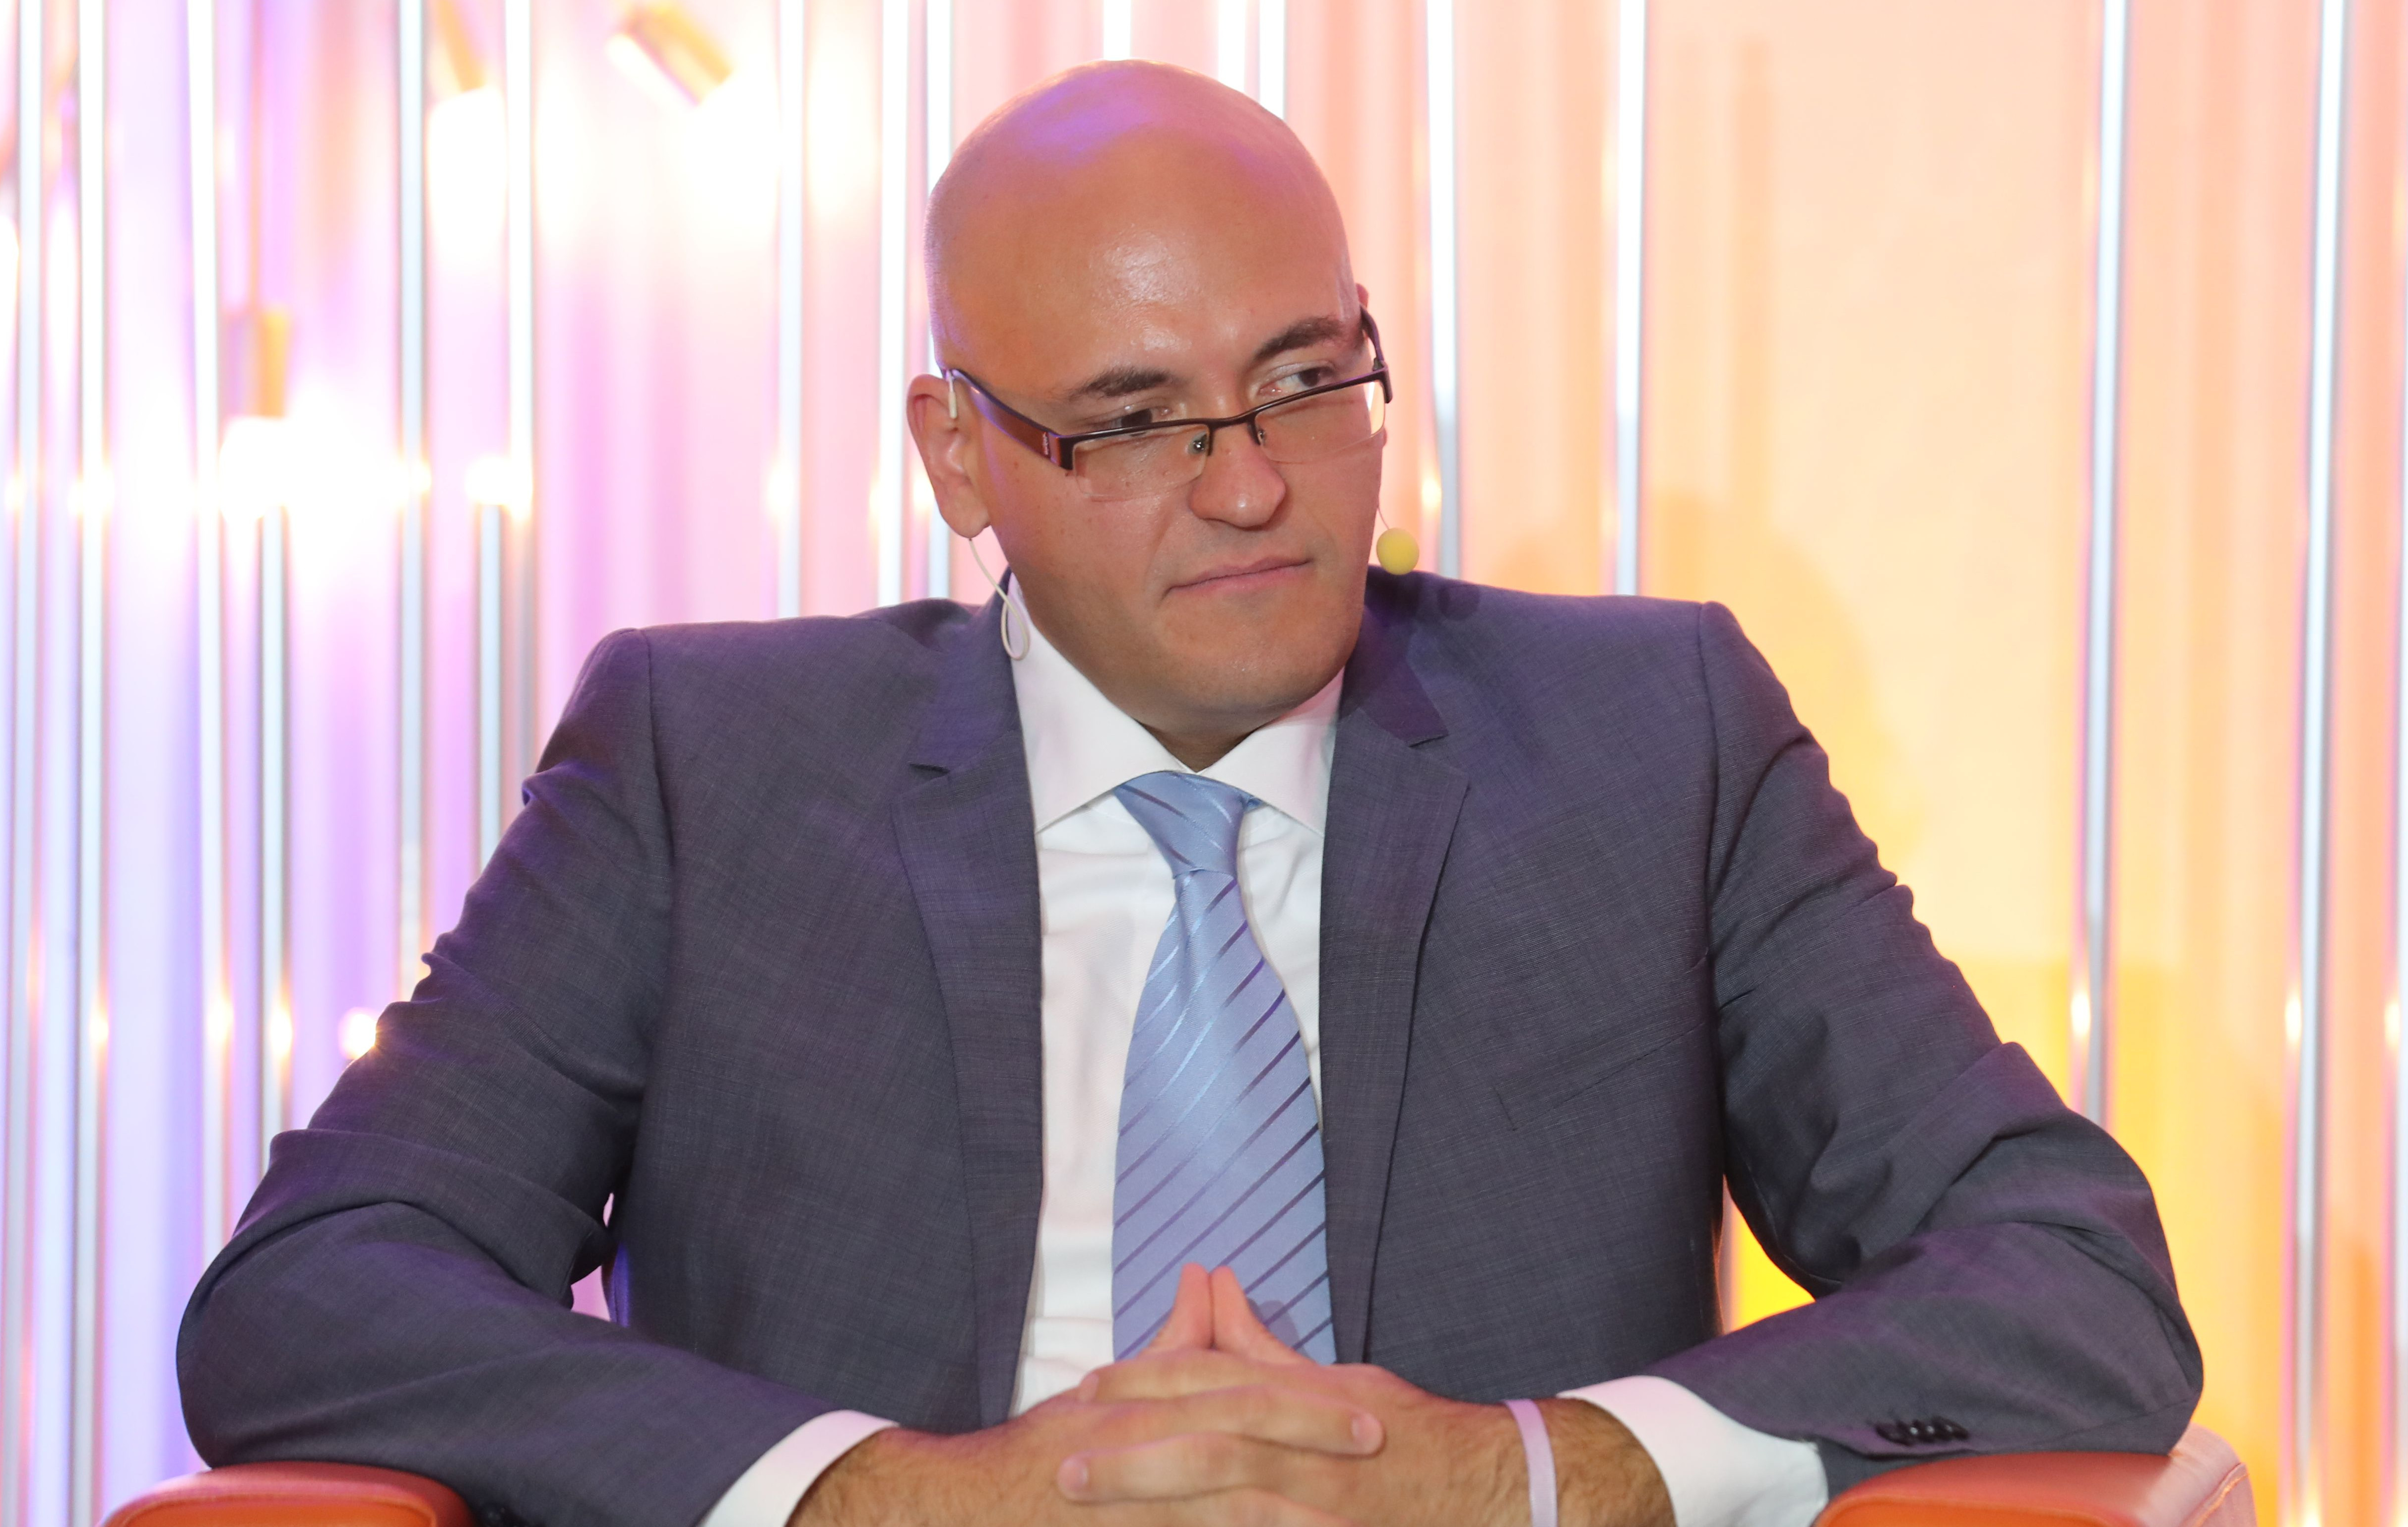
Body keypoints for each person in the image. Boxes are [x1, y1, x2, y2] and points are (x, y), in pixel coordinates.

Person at [177, 60, 2199, 1527]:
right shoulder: (708, 768)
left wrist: (1527, 1472)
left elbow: (2069, 1273)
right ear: (958, 454)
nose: (1250, 486)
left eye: (1309, 381)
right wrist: (885, 1496)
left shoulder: (1648, 737)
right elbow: (316, 1294)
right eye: (1134, 422)